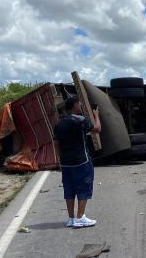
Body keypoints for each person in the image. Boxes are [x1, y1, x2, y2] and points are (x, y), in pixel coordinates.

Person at [53, 97, 101, 228]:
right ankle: (80, 217)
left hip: (65, 162)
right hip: (81, 161)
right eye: (79, 104)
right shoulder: (80, 120)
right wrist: (96, 115)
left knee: (69, 189)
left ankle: (71, 219)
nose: (81, 106)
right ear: (75, 106)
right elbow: (97, 129)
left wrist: (59, 159)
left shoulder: (59, 123)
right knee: (84, 187)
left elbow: (56, 142)